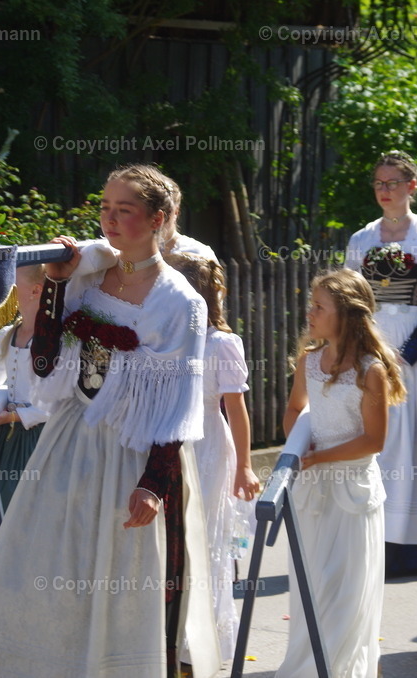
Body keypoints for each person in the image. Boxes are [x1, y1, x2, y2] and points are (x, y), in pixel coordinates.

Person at [0, 164, 220, 677]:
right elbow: (47, 362)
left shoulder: (181, 303)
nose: (111, 220)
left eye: (125, 211)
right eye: (105, 208)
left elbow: (178, 407)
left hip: (130, 454)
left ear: (158, 219)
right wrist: (55, 283)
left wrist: (153, 486)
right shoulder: (88, 276)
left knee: (115, 585)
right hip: (70, 442)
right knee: (40, 573)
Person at [278, 268, 406, 678]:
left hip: (352, 490)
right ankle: (307, 666)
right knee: (312, 581)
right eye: (311, 304)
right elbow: (296, 409)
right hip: (313, 489)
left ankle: (344, 668)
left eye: (319, 306)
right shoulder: (309, 361)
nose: (309, 312)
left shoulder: (370, 370)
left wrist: (322, 457)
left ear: (347, 315)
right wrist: (299, 443)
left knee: (346, 586)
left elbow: (374, 440)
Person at [344, 150, 417, 577]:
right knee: (379, 444)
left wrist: (405, 356)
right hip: (372, 348)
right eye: (379, 183)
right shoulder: (361, 240)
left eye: (393, 183)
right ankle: (374, 541)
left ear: (412, 187)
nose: (385, 191)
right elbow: (351, 299)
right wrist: (363, 347)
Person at [166, 252, 258, 662]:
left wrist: (244, 467)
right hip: (167, 440)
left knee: (204, 538)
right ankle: (169, 636)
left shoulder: (221, 343)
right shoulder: (163, 336)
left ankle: (199, 645)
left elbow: (235, 410)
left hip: (207, 445)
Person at [0, 263, 49, 555]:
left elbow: (63, 401)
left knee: (24, 514)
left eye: (12, 283)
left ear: (35, 290)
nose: (6, 290)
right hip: (2, 437)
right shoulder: (8, 334)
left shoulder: (55, 339)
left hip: (37, 439)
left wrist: (19, 415)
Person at [159, 174, 219, 263]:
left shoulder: (198, 252)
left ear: (176, 212)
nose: (157, 218)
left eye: (165, 211)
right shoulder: (134, 251)